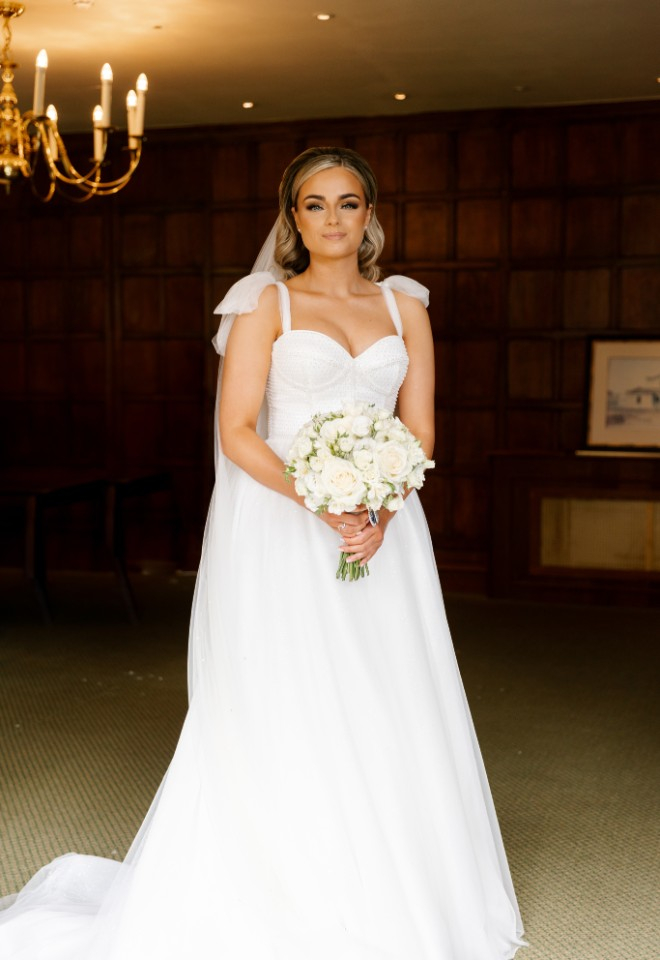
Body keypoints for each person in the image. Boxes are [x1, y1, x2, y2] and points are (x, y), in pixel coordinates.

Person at [0, 146, 526, 960]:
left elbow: (420, 430)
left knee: (388, 693)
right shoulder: (263, 303)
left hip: (383, 530)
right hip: (284, 526)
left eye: (348, 203)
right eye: (314, 205)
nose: (333, 220)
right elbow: (238, 432)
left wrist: (378, 508)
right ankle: (291, 881)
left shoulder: (405, 306)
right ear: (291, 218)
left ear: (371, 215)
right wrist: (322, 499)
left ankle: (393, 882)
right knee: (291, 692)